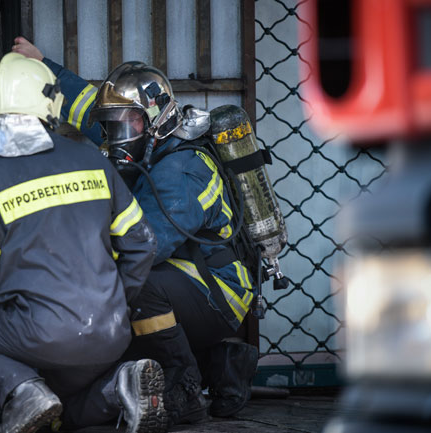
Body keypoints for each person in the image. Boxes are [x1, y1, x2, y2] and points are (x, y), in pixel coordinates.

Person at [13, 37, 259, 425]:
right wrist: (44, 65)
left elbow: (144, 247)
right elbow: (85, 109)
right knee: (122, 321)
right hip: (186, 280)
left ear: (155, 116)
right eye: (113, 124)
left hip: (220, 291)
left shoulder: (180, 169)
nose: (116, 134)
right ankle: (221, 365)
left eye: (126, 123)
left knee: (134, 284)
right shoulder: (143, 142)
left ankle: (185, 386)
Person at [0, 52, 165, 433]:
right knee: (56, 412)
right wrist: (114, 302)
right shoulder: (91, 159)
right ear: (51, 104)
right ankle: (118, 387)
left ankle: (19, 388)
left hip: (41, 335)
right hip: (111, 334)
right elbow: (142, 244)